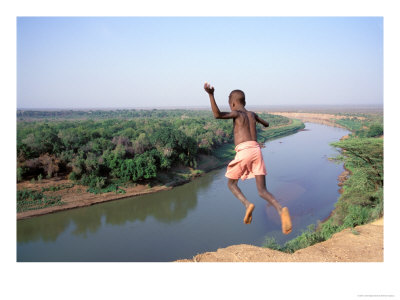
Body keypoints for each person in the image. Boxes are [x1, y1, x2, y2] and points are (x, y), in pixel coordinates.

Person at [204, 82, 292, 234]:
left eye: (230, 104)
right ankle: (280, 209)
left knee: (231, 184)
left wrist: (211, 95)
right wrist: (259, 121)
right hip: (257, 150)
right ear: (245, 102)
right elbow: (267, 123)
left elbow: (217, 115)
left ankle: (247, 205)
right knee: (262, 190)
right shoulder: (252, 114)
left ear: (232, 103)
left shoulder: (236, 113)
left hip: (244, 151)